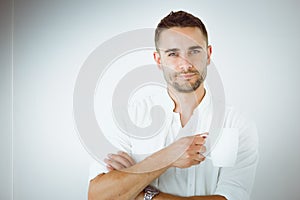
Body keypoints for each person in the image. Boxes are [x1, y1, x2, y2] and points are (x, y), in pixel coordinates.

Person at [88, 11, 258, 200]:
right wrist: (167, 157)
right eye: (173, 54)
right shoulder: (127, 117)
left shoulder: (237, 124)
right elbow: (98, 196)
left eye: (194, 51)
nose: (185, 64)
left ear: (208, 55)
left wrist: (141, 194)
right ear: (159, 60)